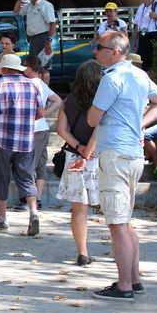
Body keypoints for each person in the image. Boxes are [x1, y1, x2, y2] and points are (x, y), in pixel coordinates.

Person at [86, 31, 157, 301]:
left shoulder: (112, 79)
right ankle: (133, 281)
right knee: (125, 221)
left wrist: (136, 124)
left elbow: (92, 119)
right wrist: (141, 124)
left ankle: (123, 287)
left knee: (118, 223)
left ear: (114, 51)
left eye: (98, 47)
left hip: (115, 155)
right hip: (132, 154)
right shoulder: (139, 75)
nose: (95, 51)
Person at [0, 53, 44, 236]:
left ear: (3, 69)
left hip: (3, 140)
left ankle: (2, 219)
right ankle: (33, 212)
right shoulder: (32, 86)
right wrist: (25, 120)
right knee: (27, 177)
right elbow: (41, 112)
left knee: (1, 176)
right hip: (26, 140)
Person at [56, 60, 103, 267]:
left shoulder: (69, 101)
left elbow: (61, 130)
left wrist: (79, 148)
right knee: (110, 207)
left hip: (74, 158)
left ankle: (82, 252)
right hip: (100, 158)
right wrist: (88, 151)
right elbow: (99, 130)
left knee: (79, 209)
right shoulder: (102, 102)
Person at [14, 56, 62, 211]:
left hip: (32, 130)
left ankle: (28, 200)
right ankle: (38, 199)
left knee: (28, 165)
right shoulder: (41, 83)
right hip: (43, 129)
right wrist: (44, 114)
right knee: (40, 165)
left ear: (28, 68)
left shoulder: (28, 84)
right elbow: (57, 100)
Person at [13, 0, 56, 85]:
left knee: (43, 67)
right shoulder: (30, 6)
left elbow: (52, 23)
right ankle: (38, 90)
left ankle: (44, 95)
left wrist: (49, 40)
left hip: (42, 36)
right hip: (32, 38)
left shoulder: (46, 5)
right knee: (35, 66)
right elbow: (16, 10)